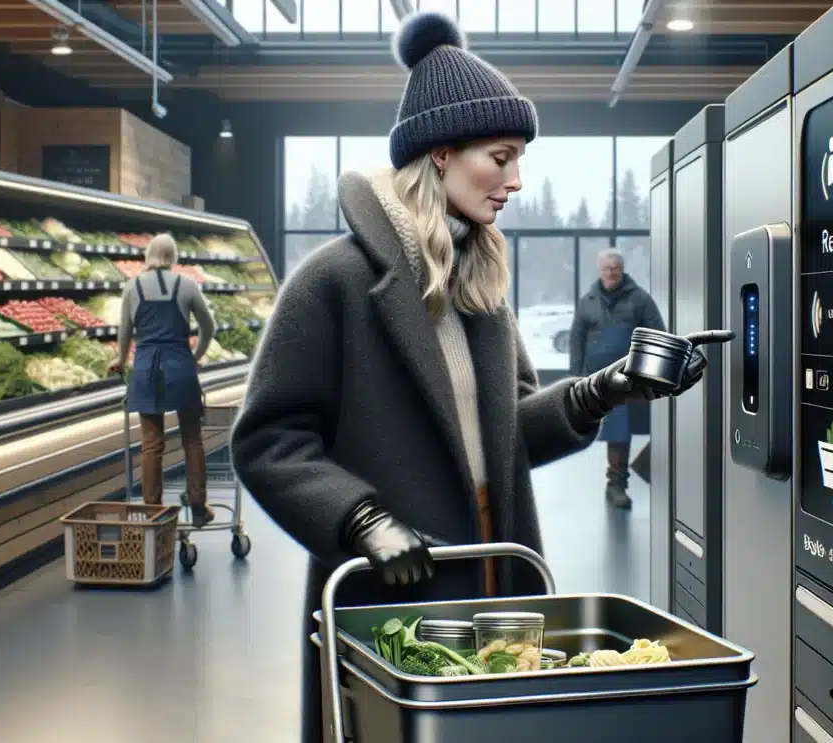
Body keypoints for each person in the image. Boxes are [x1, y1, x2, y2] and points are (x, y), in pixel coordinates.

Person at [229, 12, 710, 743]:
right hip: (392, 601)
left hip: (496, 576)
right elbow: (269, 439)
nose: (516, 180)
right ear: (442, 154)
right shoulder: (332, 282)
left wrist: (605, 388)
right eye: (501, 156)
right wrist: (361, 518)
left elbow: (510, 431)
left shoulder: (479, 293)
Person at [109, 233, 217, 527]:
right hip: (180, 364)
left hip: (146, 368)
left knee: (151, 443)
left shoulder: (132, 287)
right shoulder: (187, 285)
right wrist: (196, 355)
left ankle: (152, 511)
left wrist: (120, 358)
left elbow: (125, 331)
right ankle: (198, 506)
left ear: (148, 255)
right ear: (173, 256)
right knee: (192, 438)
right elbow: (209, 326)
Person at [568, 248, 666, 509]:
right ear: (600, 271)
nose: (610, 272)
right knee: (616, 431)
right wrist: (576, 375)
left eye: (615, 268)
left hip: (633, 378)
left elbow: (658, 335)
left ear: (622, 270)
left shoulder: (640, 300)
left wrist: (653, 372)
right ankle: (616, 484)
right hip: (600, 380)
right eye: (606, 268)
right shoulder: (587, 300)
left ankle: (628, 478)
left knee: (650, 428)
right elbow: (576, 340)